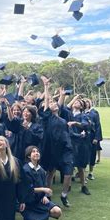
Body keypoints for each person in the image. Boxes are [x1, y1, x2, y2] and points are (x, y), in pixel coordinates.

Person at [38, 78, 74, 207]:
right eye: (50, 104)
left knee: (68, 172)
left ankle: (64, 194)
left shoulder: (63, 119)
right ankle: (47, 194)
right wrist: (46, 86)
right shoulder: (47, 117)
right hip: (51, 149)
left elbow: (61, 103)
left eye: (55, 103)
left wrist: (62, 96)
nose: (53, 104)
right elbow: (47, 100)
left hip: (65, 148)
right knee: (50, 172)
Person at [22, 145, 62, 220]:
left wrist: (44, 196)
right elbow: (27, 189)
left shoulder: (41, 170)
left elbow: (43, 185)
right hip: (28, 204)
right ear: (29, 156)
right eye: (33, 151)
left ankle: (38, 219)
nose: (36, 153)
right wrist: (43, 190)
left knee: (58, 211)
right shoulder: (25, 170)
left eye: (37, 151)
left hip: (40, 201)